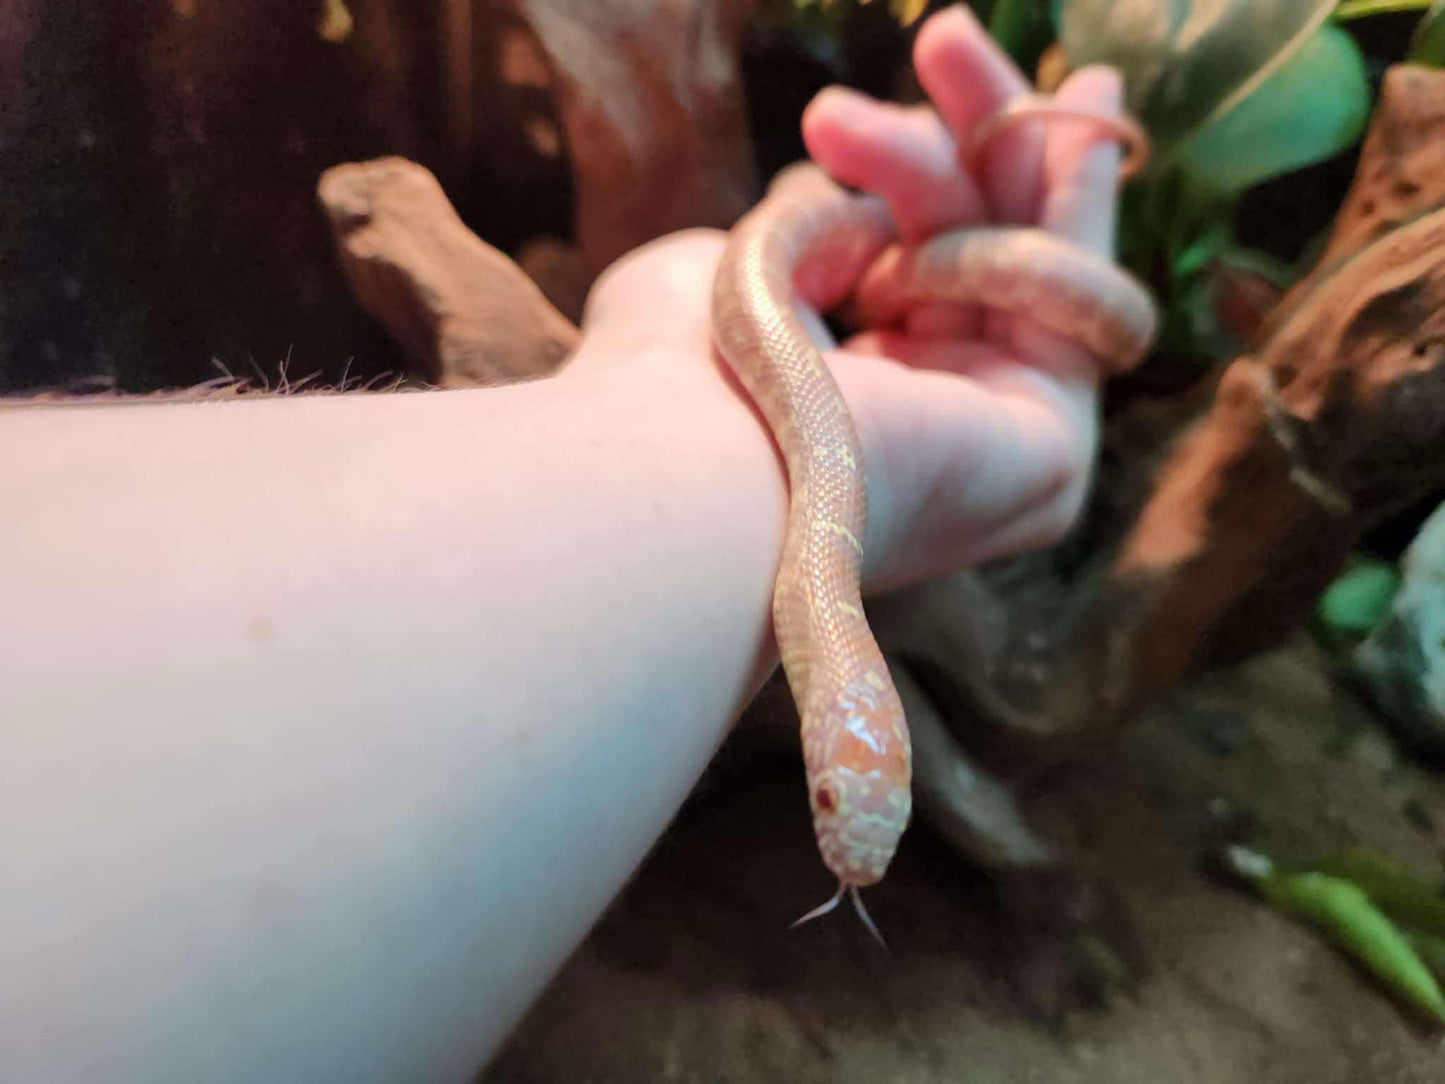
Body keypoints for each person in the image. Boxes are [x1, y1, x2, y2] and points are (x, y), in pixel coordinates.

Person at [0, 6, 1135, 1081]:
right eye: (837, 802)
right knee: (845, 211)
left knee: (935, 240)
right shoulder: (815, 562)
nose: (839, 840)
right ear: (857, 718)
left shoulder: (818, 573)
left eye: (832, 803)